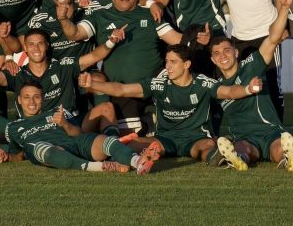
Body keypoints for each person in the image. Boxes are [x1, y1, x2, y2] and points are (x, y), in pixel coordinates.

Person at [79, 44, 260, 167]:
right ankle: (127, 159)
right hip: (165, 139)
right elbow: (122, 90)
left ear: (187, 64)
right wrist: (93, 84)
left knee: (206, 147)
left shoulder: (203, 83)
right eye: (166, 61)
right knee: (133, 143)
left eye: (173, 62)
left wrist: (248, 89)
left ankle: (221, 158)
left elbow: (228, 92)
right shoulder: (160, 83)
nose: (168, 66)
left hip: (195, 137)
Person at [60, 0, 180, 136]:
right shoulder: (99, 13)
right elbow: (74, 34)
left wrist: (201, 40)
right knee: (128, 134)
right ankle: (147, 122)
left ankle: (164, 120)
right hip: (120, 89)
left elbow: (177, 40)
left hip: (152, 84)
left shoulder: (150, 14)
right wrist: (63, 19)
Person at [210, 0, 293, 172]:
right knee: (244, 149)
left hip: (270, 131)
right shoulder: (216, 86)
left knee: (277, 148)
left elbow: (273, 38)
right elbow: (230, 92)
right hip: (244, 137)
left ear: (236, 53)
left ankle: (289, 157)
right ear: (213, 60)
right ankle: (237, 158)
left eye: (227, 51)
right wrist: (248, 89)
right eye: (217, 53)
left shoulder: (252, 65)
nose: (223, 56)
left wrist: (283, 8)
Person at [0, 81, 159, 174]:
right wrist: (5, 157)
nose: (31, 102)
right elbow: (18, 154)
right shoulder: (13, 127)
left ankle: (139, 162)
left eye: (36, 97)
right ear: (18, 100)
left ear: (42, 99)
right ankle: (101, 166)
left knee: (107, 141)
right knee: (37, 148)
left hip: (74, 143)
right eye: (26, 97)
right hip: (52, 152)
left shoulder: (56, 111)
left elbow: (78, 133)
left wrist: (64, 124)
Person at [214, 0, 288, 120]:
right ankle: (249, 134)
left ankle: (279, 136)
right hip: (239, 39)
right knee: (243, 88)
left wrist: (283, 26)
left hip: (267, 35)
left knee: (272, 87)